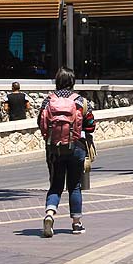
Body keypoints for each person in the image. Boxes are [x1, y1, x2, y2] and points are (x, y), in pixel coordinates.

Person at [38, 67, 95, 238]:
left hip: (54, 148)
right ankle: (76, 224)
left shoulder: (48, 101)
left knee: (56, 185)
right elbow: (91, 125)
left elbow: (40, 122)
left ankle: (49, 214)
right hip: (76, 147)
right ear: (72, 82)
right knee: (74, 186)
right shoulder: (80, 101)